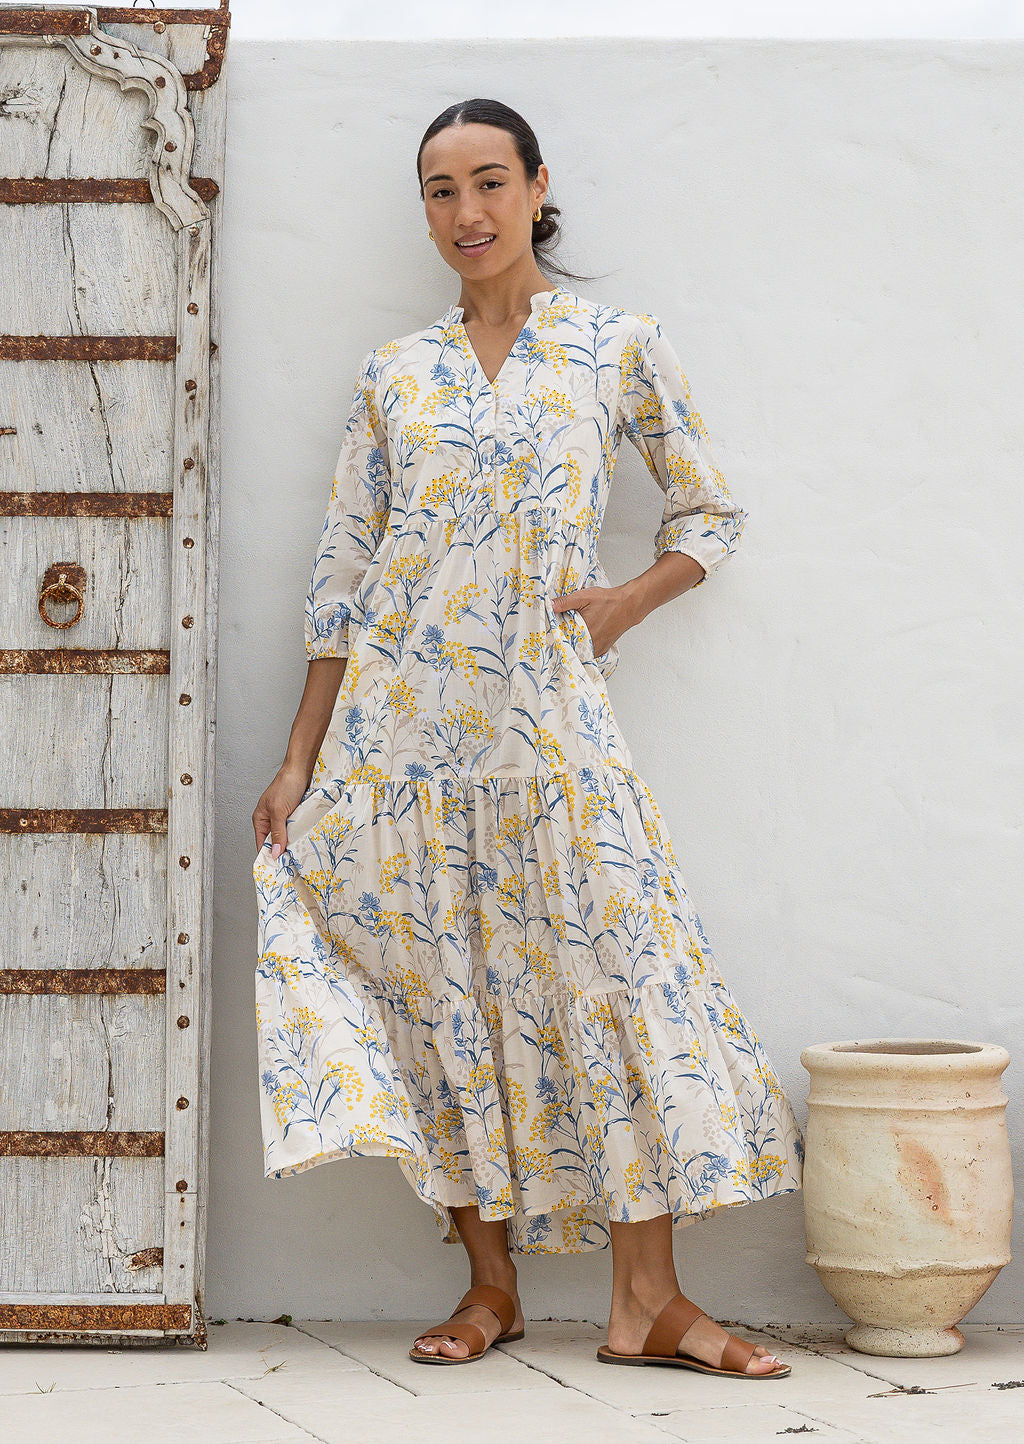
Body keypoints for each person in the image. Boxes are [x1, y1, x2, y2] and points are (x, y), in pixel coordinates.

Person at [252, 97, 804, 1379]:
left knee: (616, 974)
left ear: (538, 186)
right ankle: (488, 1285)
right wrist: (299, 758)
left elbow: (709, 512)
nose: (467, 212)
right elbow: (343, 576)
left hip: (549, 728)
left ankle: (647, 1300)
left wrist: (624, 601)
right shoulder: (397, 374)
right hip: (400, 740)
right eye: (440, 190)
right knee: (438, 991)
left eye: (489, 181)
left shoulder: (614, 347)